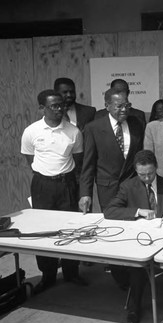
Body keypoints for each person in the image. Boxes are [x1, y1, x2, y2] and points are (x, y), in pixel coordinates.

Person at [104, 150, 163, 323]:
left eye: (150, 174)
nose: (147, 178)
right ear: (136, 171)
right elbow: (109, 211)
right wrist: (137, 211)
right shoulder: (128, 186)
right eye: (142, 175)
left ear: (156, 168)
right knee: (138, 266)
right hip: (139, 241)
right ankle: (134, 308)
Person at [21, 89, 87, 294]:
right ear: (42, 108)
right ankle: (48, 275)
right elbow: (30, 160)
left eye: (62, 105)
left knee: (70, 229)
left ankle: (71, 272)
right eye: (54, 106)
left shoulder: (73, 131)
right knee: (43, 231)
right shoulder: (31, 131)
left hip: (66, 184)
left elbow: (77, 160)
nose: (60, 109)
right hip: (42, 185)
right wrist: (46, 176)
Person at [79, 88, 144, 212]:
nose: (124, 110)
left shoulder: (136, 123)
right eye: (119, 106)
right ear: (107, 106)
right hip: (108, 189)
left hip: (133, 186)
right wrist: (85, 194)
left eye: (127, 105)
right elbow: (88, 164)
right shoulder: (94, 128)